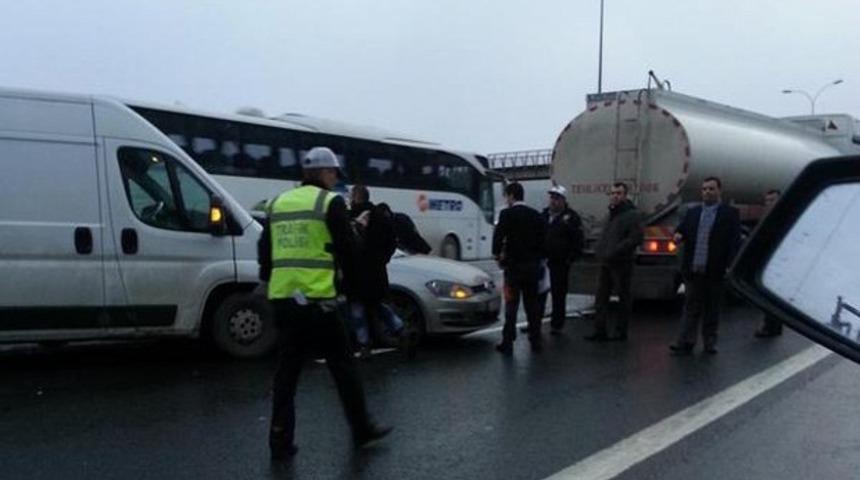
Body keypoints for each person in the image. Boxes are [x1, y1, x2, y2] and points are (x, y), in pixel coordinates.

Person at [258, 146, 391, 460]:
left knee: (286, 373)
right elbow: (348, 251)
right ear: (325, 173)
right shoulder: (329, 202)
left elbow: (265, 252)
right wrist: (354, 286)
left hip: (284, 300)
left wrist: (270, 283)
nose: (335, 179)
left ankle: (279, 439)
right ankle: (361, 429)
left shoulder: (276, 204)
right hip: (319, 303)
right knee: (343, 367)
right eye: (334, 173)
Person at [669, 176, 741, 355]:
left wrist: (730, 265)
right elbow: (682, 230)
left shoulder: (729, 213)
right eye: (704, 189)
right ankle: (685, 341)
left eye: (711, 189)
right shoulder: (693, 213)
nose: (707, 192)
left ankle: (710, 342)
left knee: (712, 308)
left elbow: (734, 241)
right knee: (691, 307)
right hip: (694, 269)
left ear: (719, 191)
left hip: (715, 269)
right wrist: (678, 235)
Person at [584, 182, 643, 342]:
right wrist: (600, 250)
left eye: (619, 193)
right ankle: (599, 330)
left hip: (622, 262)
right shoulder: (610, 214)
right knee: (601, 297)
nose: (615, 196)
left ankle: (620, 331)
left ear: (625, 195)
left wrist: (616, 250)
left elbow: (635, 238)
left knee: (623, 297)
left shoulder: (632, 215)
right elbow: (606, 235)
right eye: (613, 193)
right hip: (606, 261)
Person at [493, 182, 546, 354]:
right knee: (532, 305)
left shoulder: (506, 214)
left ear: (511, 196)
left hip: (513, 268)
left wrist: (497, 255)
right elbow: (544, 241)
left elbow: (498, 237)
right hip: (532, 267)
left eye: (507, 196)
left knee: (511, 305)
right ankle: (535, 339)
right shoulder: (536, 215)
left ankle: (508, 341)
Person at [537, 185, 584, 335]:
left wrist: (570, 258)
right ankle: (535, 322)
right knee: (539, 294)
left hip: (560, 262)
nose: (553, 201)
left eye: (557, 198)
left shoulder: (571, 217)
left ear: (563, 200)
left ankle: (557, 324)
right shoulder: (543, 215)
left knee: (558, 294)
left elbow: (578, 240)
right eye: (552, 197)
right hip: (544, 262)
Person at [754, 189, 783, 338]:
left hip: (779, 264)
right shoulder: (765, 218)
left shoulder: (784, 217)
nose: (770, 203)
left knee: (772, 297)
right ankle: (772, 325)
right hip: (766, 263)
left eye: (773, 200)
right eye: (767, 200)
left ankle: (771, 326)